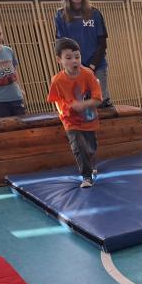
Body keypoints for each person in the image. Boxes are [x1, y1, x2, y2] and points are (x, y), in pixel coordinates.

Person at [47, 38, 102, 188]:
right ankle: (86, 176)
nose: (74, 61)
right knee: (78, 147)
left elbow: (98, 99)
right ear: (59, 60)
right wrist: (65, 110)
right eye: (69, 58)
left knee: (90, 146)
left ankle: (91, 162)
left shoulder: (88, 74)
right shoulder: (57, 80)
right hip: (70, 121)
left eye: (77, 57)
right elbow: (55, 99)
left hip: (88, 118)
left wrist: (83, 105)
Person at [54, 0, 111, 108]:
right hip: (75, 67)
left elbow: (102, 43)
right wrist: (74, 65)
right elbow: (62, 45)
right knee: (79, 104)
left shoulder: (94, 13)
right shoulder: (61, 15)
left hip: (96, 65)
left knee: (100, 101)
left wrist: (92, 66)